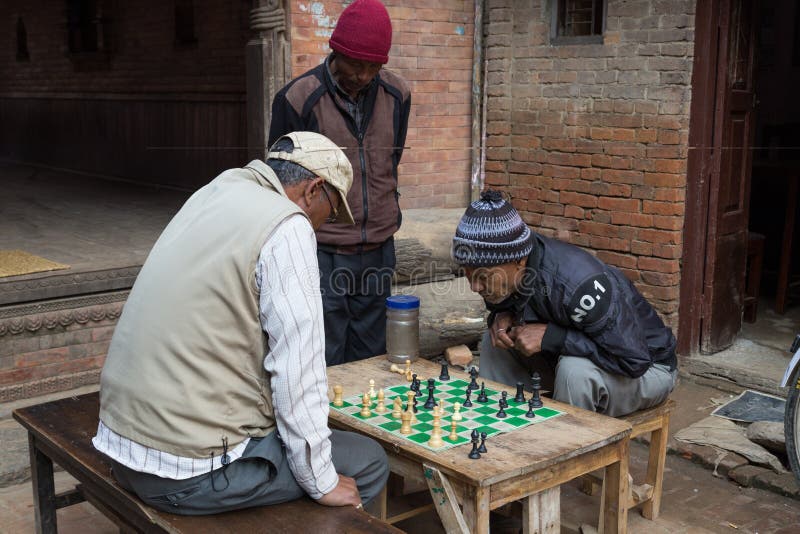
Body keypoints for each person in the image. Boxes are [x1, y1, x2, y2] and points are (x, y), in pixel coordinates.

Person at [92, 132, 388, 515]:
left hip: (121, 447)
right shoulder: (287, 225)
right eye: (330, 213)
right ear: (314, 189)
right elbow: (297, 371)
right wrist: (323, 482)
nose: (323, 225)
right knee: (366, 459)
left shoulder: (214, 193)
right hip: (188, 474)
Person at [268, 0, 412, 366]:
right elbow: (282, 180)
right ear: (336, 51)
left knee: (373, 354)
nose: (363, 75)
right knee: (322, 350)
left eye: (373, 67)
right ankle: (322, 425)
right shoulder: (297, 99)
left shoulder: (398, 95)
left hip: (379, 247)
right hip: (322, 250)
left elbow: (389, 161)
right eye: (355, 64)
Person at [453, 190, 678, 417]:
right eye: (468, 275)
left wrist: (553, 338)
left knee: (574, 372)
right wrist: (502, 315)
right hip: (570, 362)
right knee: (495, 342)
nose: (475, 287)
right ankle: (502, 430)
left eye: (484, 277)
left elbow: (634, 361)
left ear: (519, 260)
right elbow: (518, 306)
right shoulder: (516, 265)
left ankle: (569, 448)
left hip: (648, 370)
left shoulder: (580, 285)